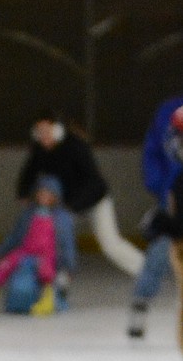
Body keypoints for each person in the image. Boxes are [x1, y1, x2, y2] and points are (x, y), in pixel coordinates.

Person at [15, 111, 144, 281]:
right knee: (52, 236)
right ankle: (56, 279)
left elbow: (95, 183)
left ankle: (146, 271)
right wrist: (23, 193)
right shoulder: (39, 150)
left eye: (47, 130)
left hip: (95, 200)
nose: (43, 136)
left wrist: (72, 206)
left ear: (57, 130)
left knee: (110, 244)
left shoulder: (76, 147)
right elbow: (29, 173)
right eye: (39, 132)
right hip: (68, 204)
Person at [0, 174, 76, 316]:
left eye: (49, 194)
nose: (44, 197)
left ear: (56, 196)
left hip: (46, 256)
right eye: (41, 193)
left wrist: (69, 266)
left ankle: (47, 299)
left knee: (46, 272)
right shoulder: (28, 215)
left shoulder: (62, 219)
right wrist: (1, 250)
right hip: (25, 252)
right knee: (2, 267)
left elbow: (67, 244)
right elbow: (16, 236)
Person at [128, 94, 183, 339]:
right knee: (161, 249)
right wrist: (160, 185)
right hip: (174, 194)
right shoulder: (168, 110)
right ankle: (141, 303)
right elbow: (153, 150)